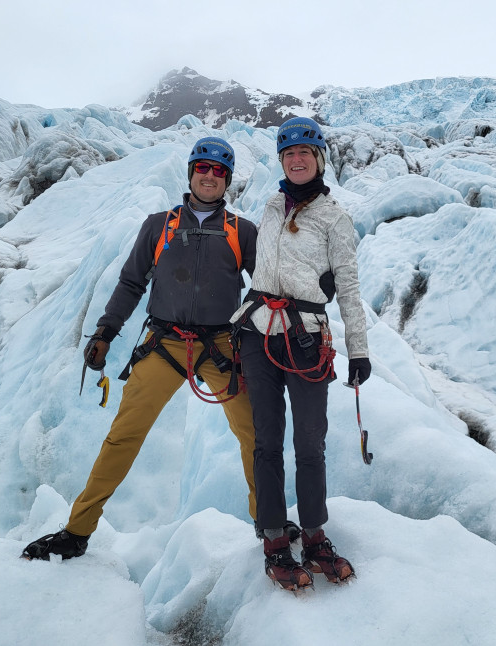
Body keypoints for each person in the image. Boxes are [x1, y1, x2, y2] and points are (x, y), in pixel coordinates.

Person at [22, 136, 259, 561]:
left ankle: (269, 525)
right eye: (202, 168)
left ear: (227, 181)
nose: (209, 176)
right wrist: (105, 332)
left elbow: (264, 291)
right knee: (123, 436)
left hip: (221, 345)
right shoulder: (158, 225)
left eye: (219, 171)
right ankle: (77, 531)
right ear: (191, 173)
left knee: (255, 435)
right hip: (165, 344)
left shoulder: (243, 231)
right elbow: (132, 282)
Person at [231, 116, 371, 591]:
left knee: (310, 443)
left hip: (306, 337)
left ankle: (314, 536)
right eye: (288, 153)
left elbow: (348, 286)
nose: (296, 160)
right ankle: (274, 538)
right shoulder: (272, 205)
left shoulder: (334, 217)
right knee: (266, 441)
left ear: (319, 159)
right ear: (281, 159)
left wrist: (358, 350)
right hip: (258, 334)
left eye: (304, 153)